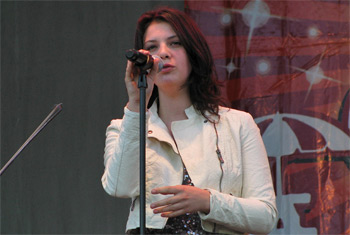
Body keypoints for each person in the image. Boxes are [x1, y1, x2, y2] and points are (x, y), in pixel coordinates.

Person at [102, 7, 277, 234]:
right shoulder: (126, 126)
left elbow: (265, 216)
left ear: (193, 53)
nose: (163, 53)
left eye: (175, 43)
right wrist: (136, 104)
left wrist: (207, 201)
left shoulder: (237, 124)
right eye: (153, 47)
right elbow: (118, 186)